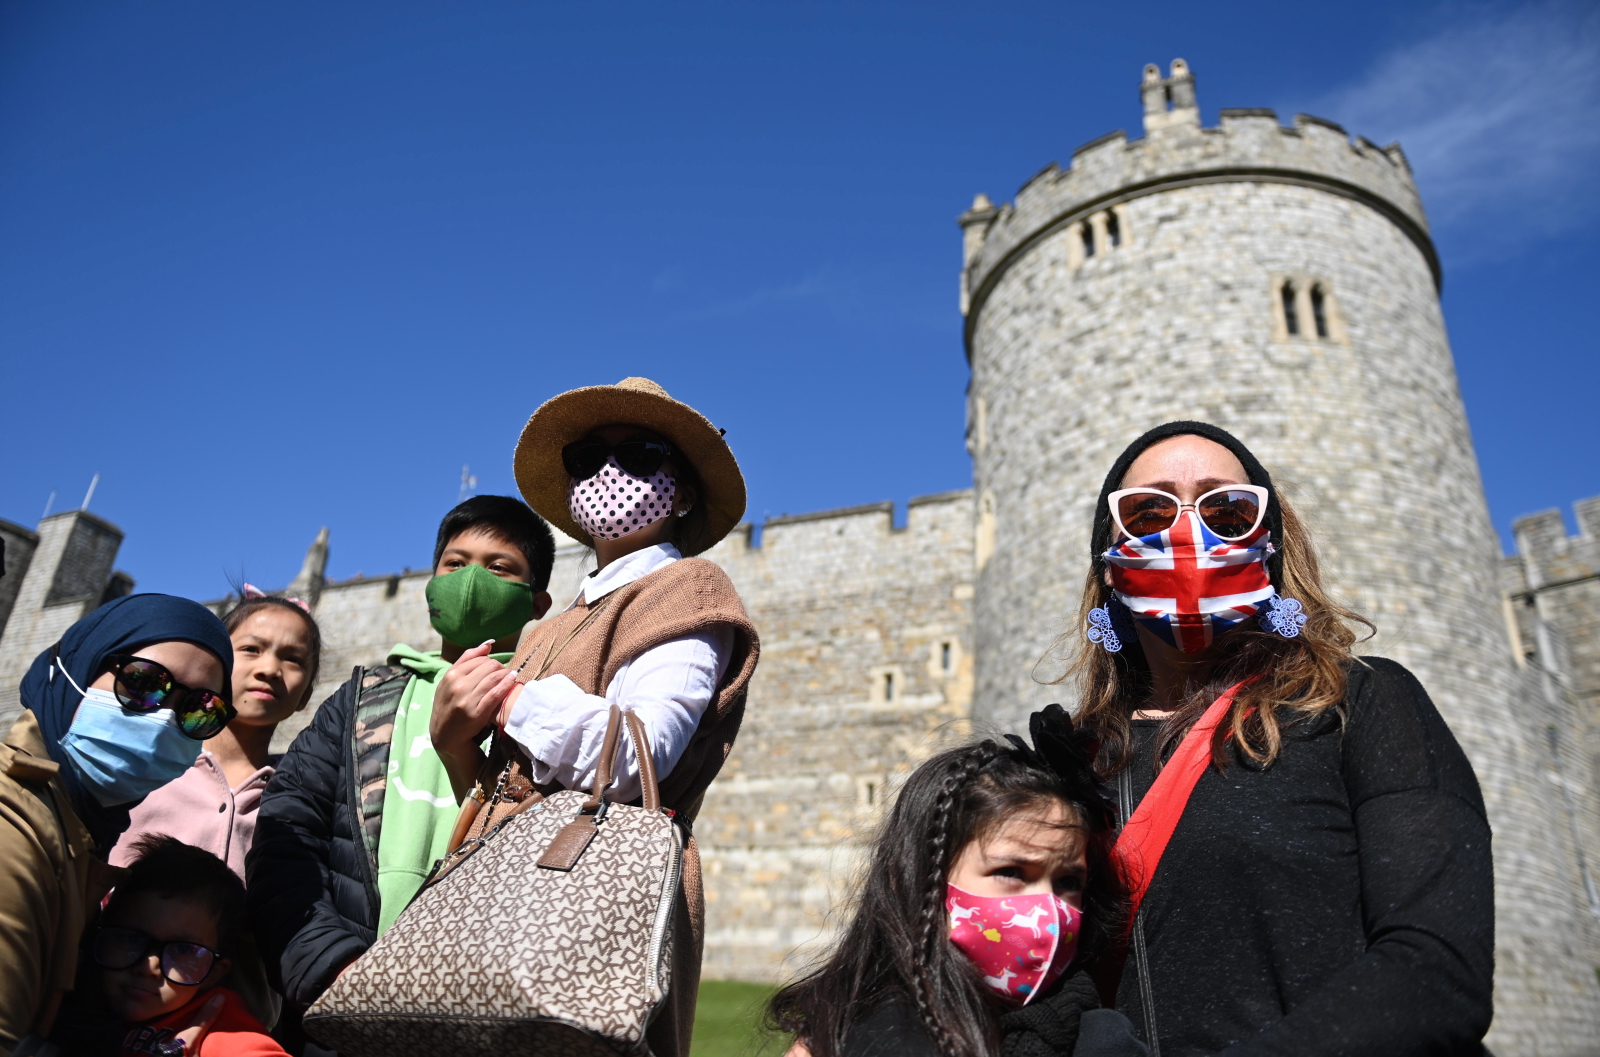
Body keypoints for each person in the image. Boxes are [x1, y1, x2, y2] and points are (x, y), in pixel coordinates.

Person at [1066, 421, 1493, 1054]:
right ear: (1109, 560)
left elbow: (1435, 969)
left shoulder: (1362, 705)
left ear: (1267, 543)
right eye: (1150, 511)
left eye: (1228, 510)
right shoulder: (1072, 762)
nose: (1188, 531)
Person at [427, 376, 761, 1057]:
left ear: (684, 492)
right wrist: (453, 739)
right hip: (497, 893)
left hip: (586, 897)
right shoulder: (548, 627)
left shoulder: (685, 587)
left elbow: (637, 758)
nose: (609, 473)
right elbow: (497, 786)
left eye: (639, 455)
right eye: (587, 458)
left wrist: (512, 699)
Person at [246, 495, 556, 1055]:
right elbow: (287, 830)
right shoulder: (361, 701)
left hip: (482, 1014)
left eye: (498, 566)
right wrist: (328, 965)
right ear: (430, 586)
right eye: (455, 564)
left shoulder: (561, 711)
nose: (470, 580)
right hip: (340, 1008)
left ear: (538, 602)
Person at [768, 707, 1144, 1057]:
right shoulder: (847, 1035)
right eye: (1011, 872)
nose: (1046, 907)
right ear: (921, 880)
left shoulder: (1101, 1040)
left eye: (1067, 881)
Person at [0, 594, 234, 1049]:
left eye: (198, 708)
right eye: (143, 682)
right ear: (79, 667)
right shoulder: (16, 825)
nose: (165, 717)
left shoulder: (74, 831)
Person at [112, 594, 322, 880]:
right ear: (215, 664)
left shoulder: (301, 797)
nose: (269, 670)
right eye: (251, 649)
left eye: (293, 659)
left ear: (306, 695)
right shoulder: (146, 765)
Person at [93, 835, 288, 1056]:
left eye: (182, 949)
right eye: (131, 939)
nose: (149, 967)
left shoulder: (222, 1029)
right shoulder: (68, 995)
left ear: (214, 971)